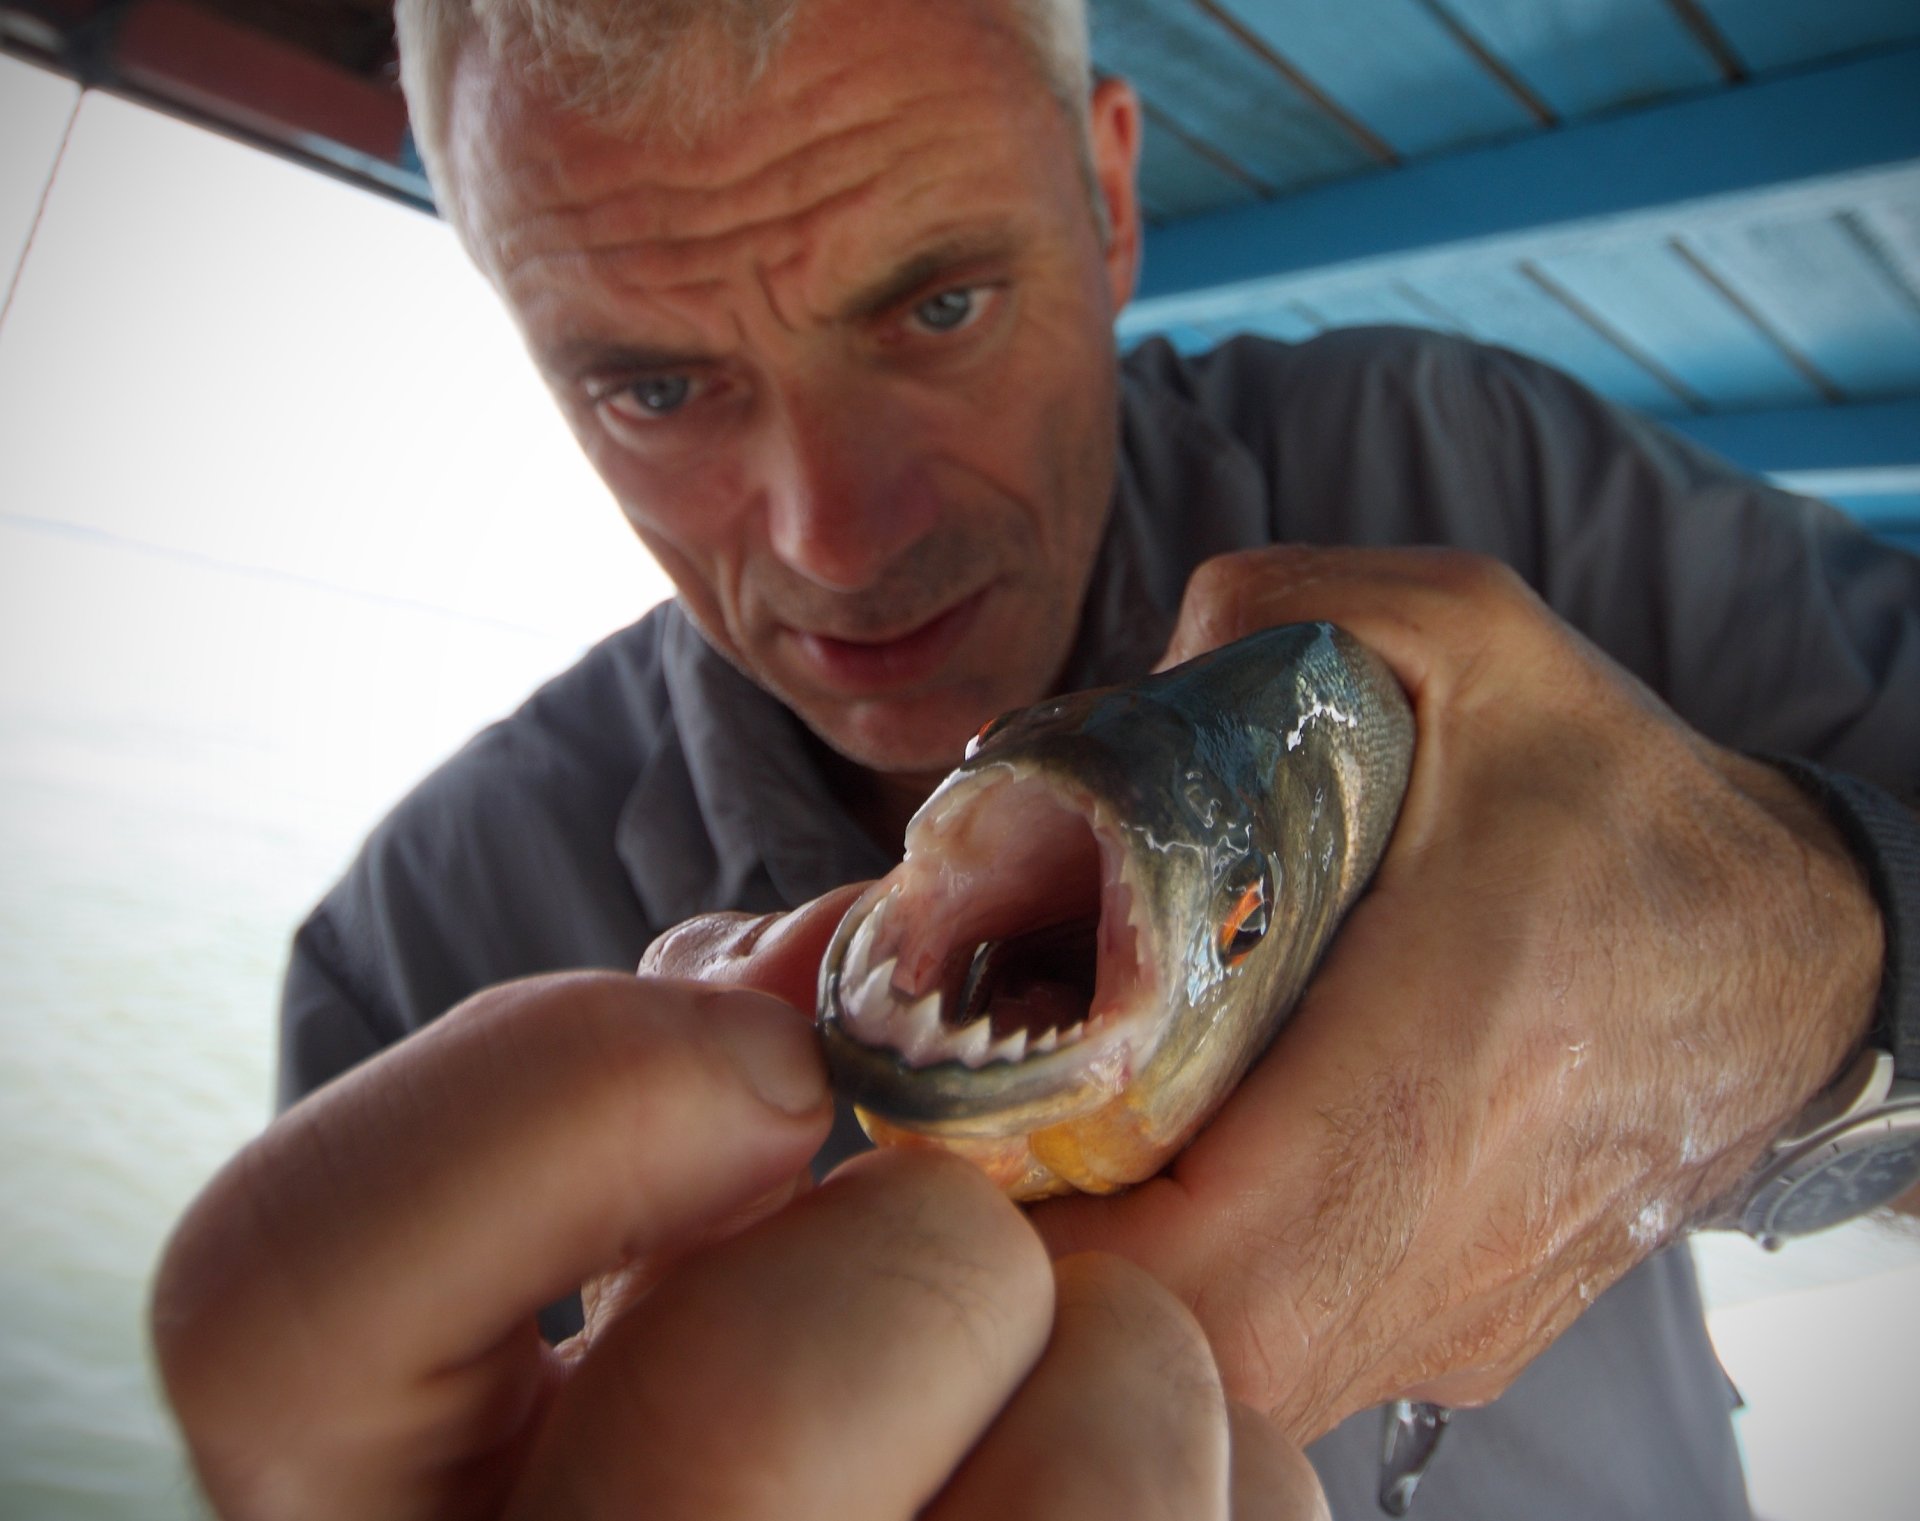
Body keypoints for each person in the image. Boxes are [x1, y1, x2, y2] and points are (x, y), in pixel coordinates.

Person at [154, 0, 1919, 1516]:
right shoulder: (406, 971)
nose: (836, 538)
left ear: (1111, 191)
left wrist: (1805, 974)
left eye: (937, 308)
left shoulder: (1471, 468)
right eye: (655, 389)